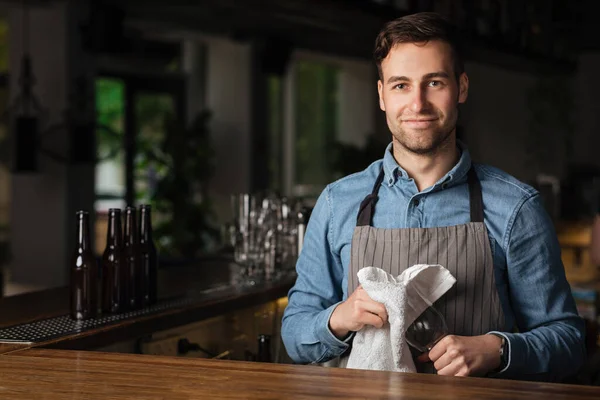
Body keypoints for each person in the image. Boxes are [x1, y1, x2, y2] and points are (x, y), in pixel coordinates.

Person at [281, 12, 585, 382]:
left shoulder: (516, 207)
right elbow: (295, 334)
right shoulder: (337, 203)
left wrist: (498, 349)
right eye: (401, 85)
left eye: (434, 82)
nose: (418, 103)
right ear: (381, 95)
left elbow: (569, 342)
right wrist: (338, 318)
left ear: (462, 88)